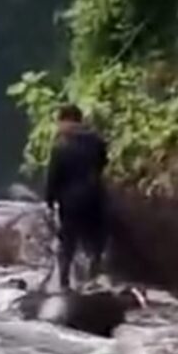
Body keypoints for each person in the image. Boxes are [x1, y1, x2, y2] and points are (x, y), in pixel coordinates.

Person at [45, 104, 109, 290]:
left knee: (68, 244)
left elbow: (53, 176)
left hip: (71, 201)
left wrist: (49, 201)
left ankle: (64, 284)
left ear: (66, 121)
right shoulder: (97, 141)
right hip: (95, 197)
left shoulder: (60, 146)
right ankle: (93, 280)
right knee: (95, 243)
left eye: (60, 121)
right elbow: (102, 164)